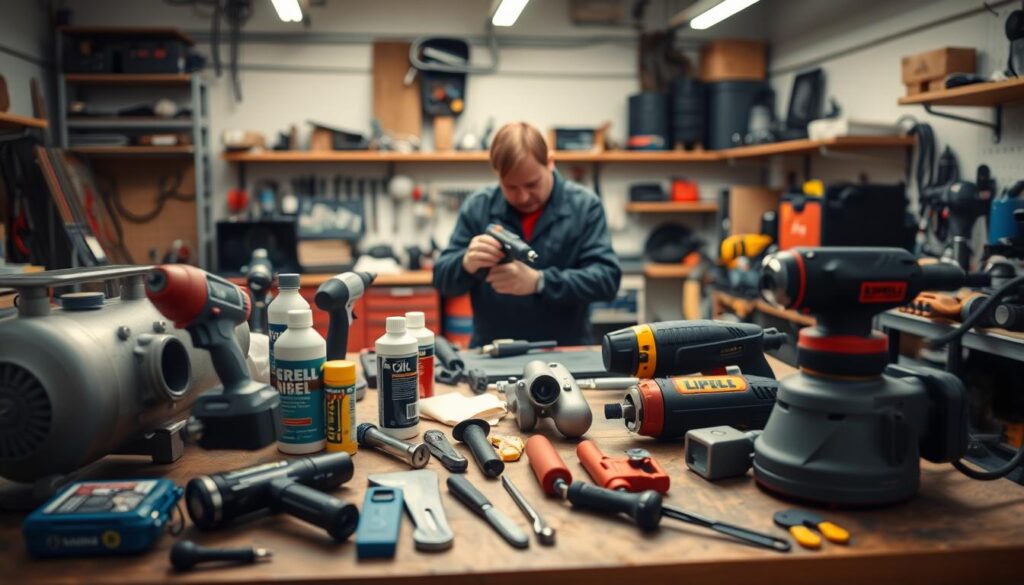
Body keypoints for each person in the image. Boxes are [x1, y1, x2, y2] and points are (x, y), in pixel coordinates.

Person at [433, 122, 621, 347]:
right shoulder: (478, 207)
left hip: (565, 351)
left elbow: (607, 280)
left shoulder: (585, 206)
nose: (522, 197)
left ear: (550, 162)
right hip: (493, 352)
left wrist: (540, 282)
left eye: (532, 184)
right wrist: (466, 264)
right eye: (511, 187)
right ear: (497, 174)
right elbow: (441, 280)